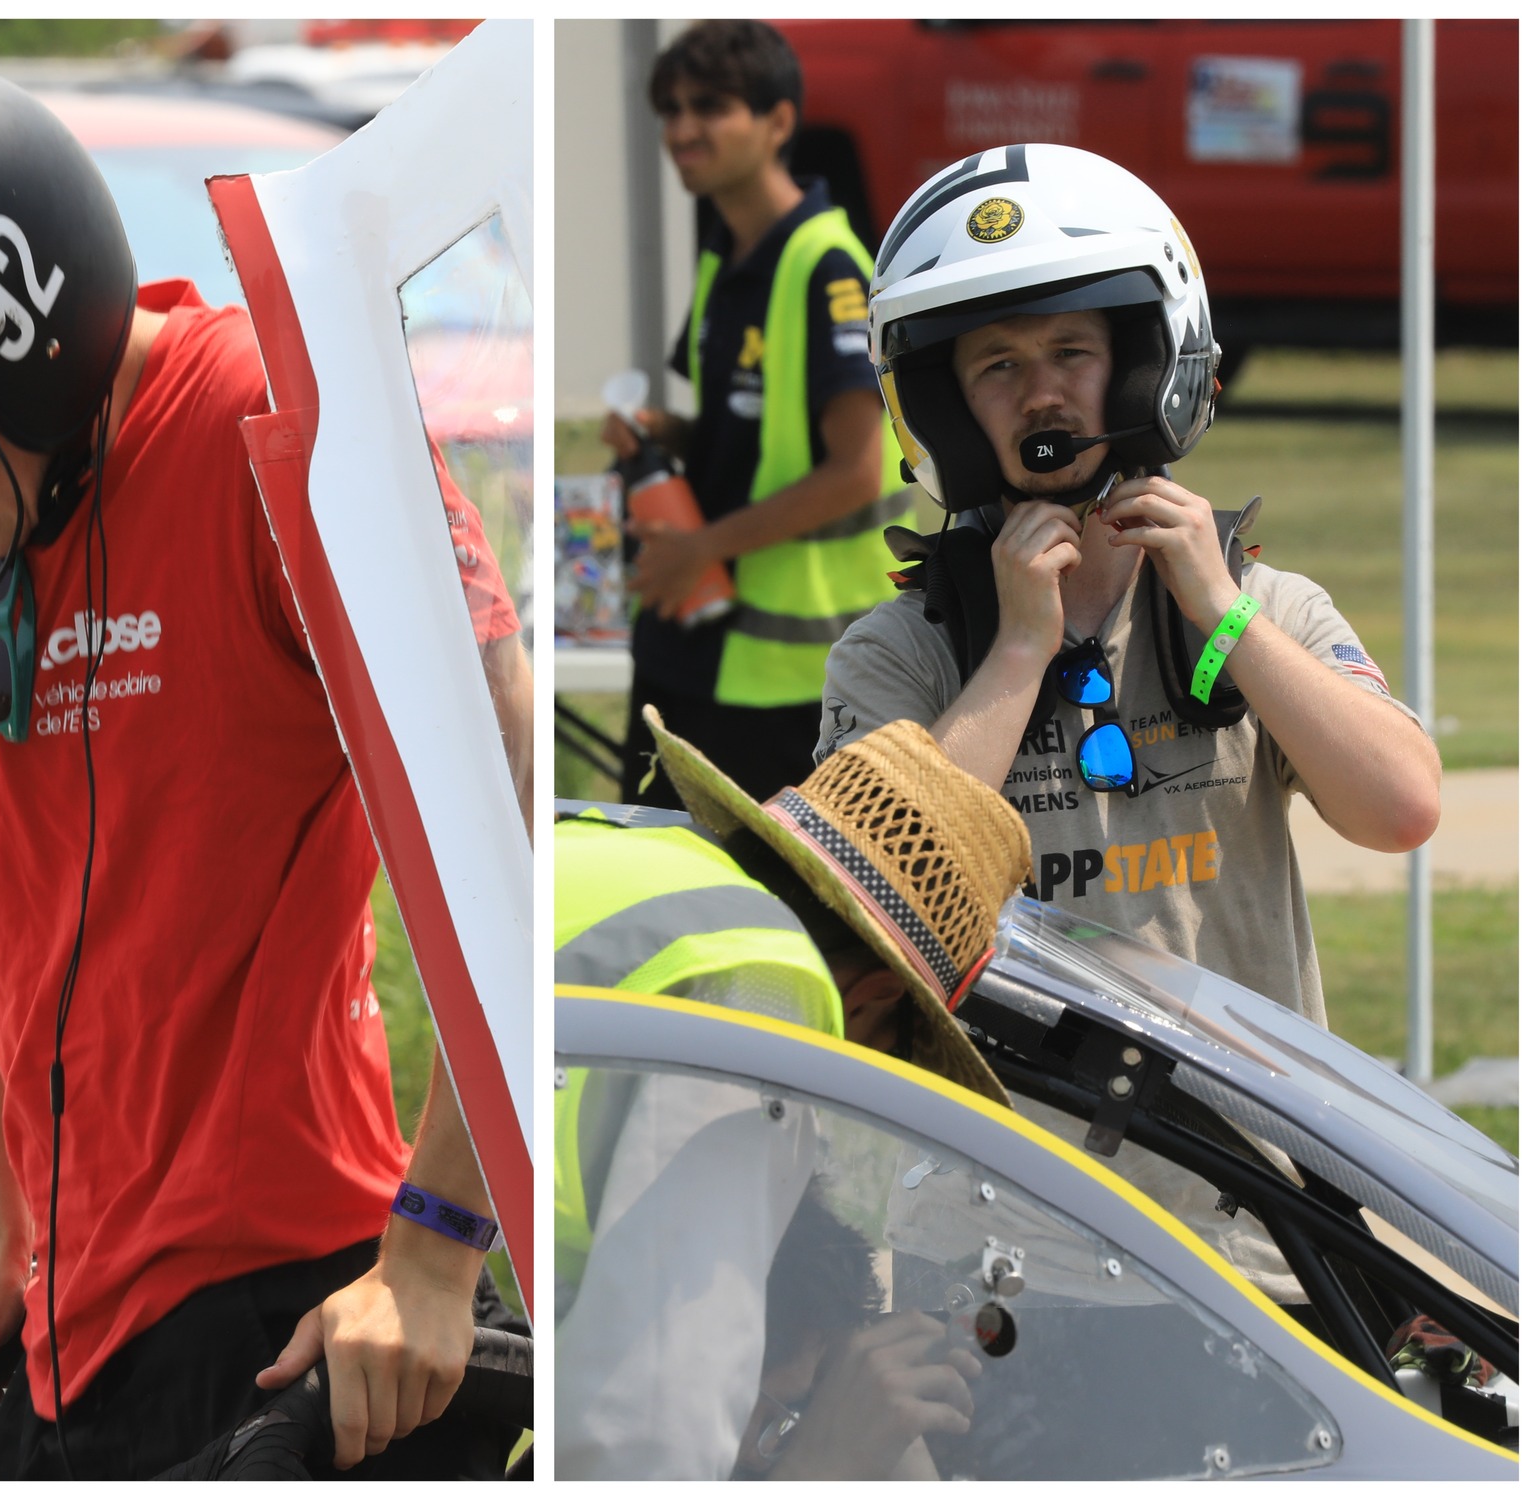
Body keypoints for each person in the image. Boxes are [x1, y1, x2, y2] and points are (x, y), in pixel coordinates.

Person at [0, 62, 529, 1479]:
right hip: (67, 1307)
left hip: (287, 1300)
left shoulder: (272, 429)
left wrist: (438, 1241)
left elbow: (497, 782)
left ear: (28, 341)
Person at [823, 143, 1440, 1027]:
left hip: (1242, 1162)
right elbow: (873, 896)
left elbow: (1402, 809)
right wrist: (1018, 653)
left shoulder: (1259, 605)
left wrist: (1223, 618)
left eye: (1073, 351)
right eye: (998, 366)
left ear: (1147, 366)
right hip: (1008, 1162)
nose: (1042, 396)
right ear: (944, 411)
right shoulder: (900, 651)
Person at [554, 707, 1031, 1478]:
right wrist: (822, 1456)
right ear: (875, 997)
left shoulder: (651, 869)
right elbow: (645, 1429)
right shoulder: (767, 990)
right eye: (887, 1058)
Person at [602, 19, 905, 808]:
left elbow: (854, 471)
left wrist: (699, 545)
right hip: (697, 637)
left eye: (709, 106)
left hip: (788, 678)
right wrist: (666, 437)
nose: (682, 129)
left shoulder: (828, 265)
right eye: (669, 109)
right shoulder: (723, 252)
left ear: (778, 122)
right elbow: (754, 431)